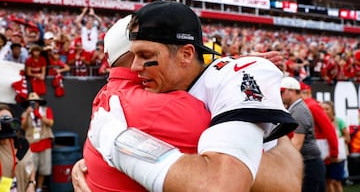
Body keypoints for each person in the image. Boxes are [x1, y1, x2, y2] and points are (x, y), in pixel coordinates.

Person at [72, 12, 302, 192]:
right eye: (140, 55)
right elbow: (272, 182)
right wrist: (118, 144)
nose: (137, 68)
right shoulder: (166, 106)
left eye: (146, 55)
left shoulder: (112, 95)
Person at [280, 76, 325, 192]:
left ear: (292, 91)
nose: (280, 95)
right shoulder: (295, 108)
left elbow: (297, 143)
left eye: (282, 92)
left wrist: (283, 163)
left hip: (309, 163)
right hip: (307, 161)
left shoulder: (298, 110)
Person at [21, 92, 54, 192]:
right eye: (31, 102)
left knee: (44, 169)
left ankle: (39, 187)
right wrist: (27, 114)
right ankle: (32, 187)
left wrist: (40, 116)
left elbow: (51, 123)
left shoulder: (46, 110)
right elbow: (23, 127)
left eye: (35, 102)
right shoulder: (25, 113)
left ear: (39, 102)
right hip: (32, 144)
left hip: (45, 143)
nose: (33, 103)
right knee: (31, 169)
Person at [0, 103, 36, 192]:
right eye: (2, 120)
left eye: (9, 119)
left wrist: (31, 183)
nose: (6, 123)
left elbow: (30, 165)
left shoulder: (22, 144)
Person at [300, 82, 339, 163]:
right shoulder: (307, 105)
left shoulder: (312, 106)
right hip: (311, 150)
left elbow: (329, 129)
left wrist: (334, 153)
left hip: (319, 150)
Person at [321, 101, 351, 192]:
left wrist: (336, 140)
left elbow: (348, 138)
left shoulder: (339, 121)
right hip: (325, 157)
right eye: (322, 109)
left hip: (338, 157)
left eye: (327, 109)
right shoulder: (319, 122)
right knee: (327, 181)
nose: (324, 111)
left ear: (332, 110)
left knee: (336, 182)